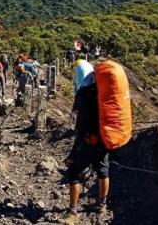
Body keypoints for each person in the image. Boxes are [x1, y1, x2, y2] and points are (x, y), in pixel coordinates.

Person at [59, 74, 110, 224]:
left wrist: (73, 153)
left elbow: (80, 125)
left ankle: (73, 212)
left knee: (73, 172)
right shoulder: (106, 94)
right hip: (104, 140)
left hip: (88, 141)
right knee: (103, 171)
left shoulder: (84, 94)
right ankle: (102, 205)